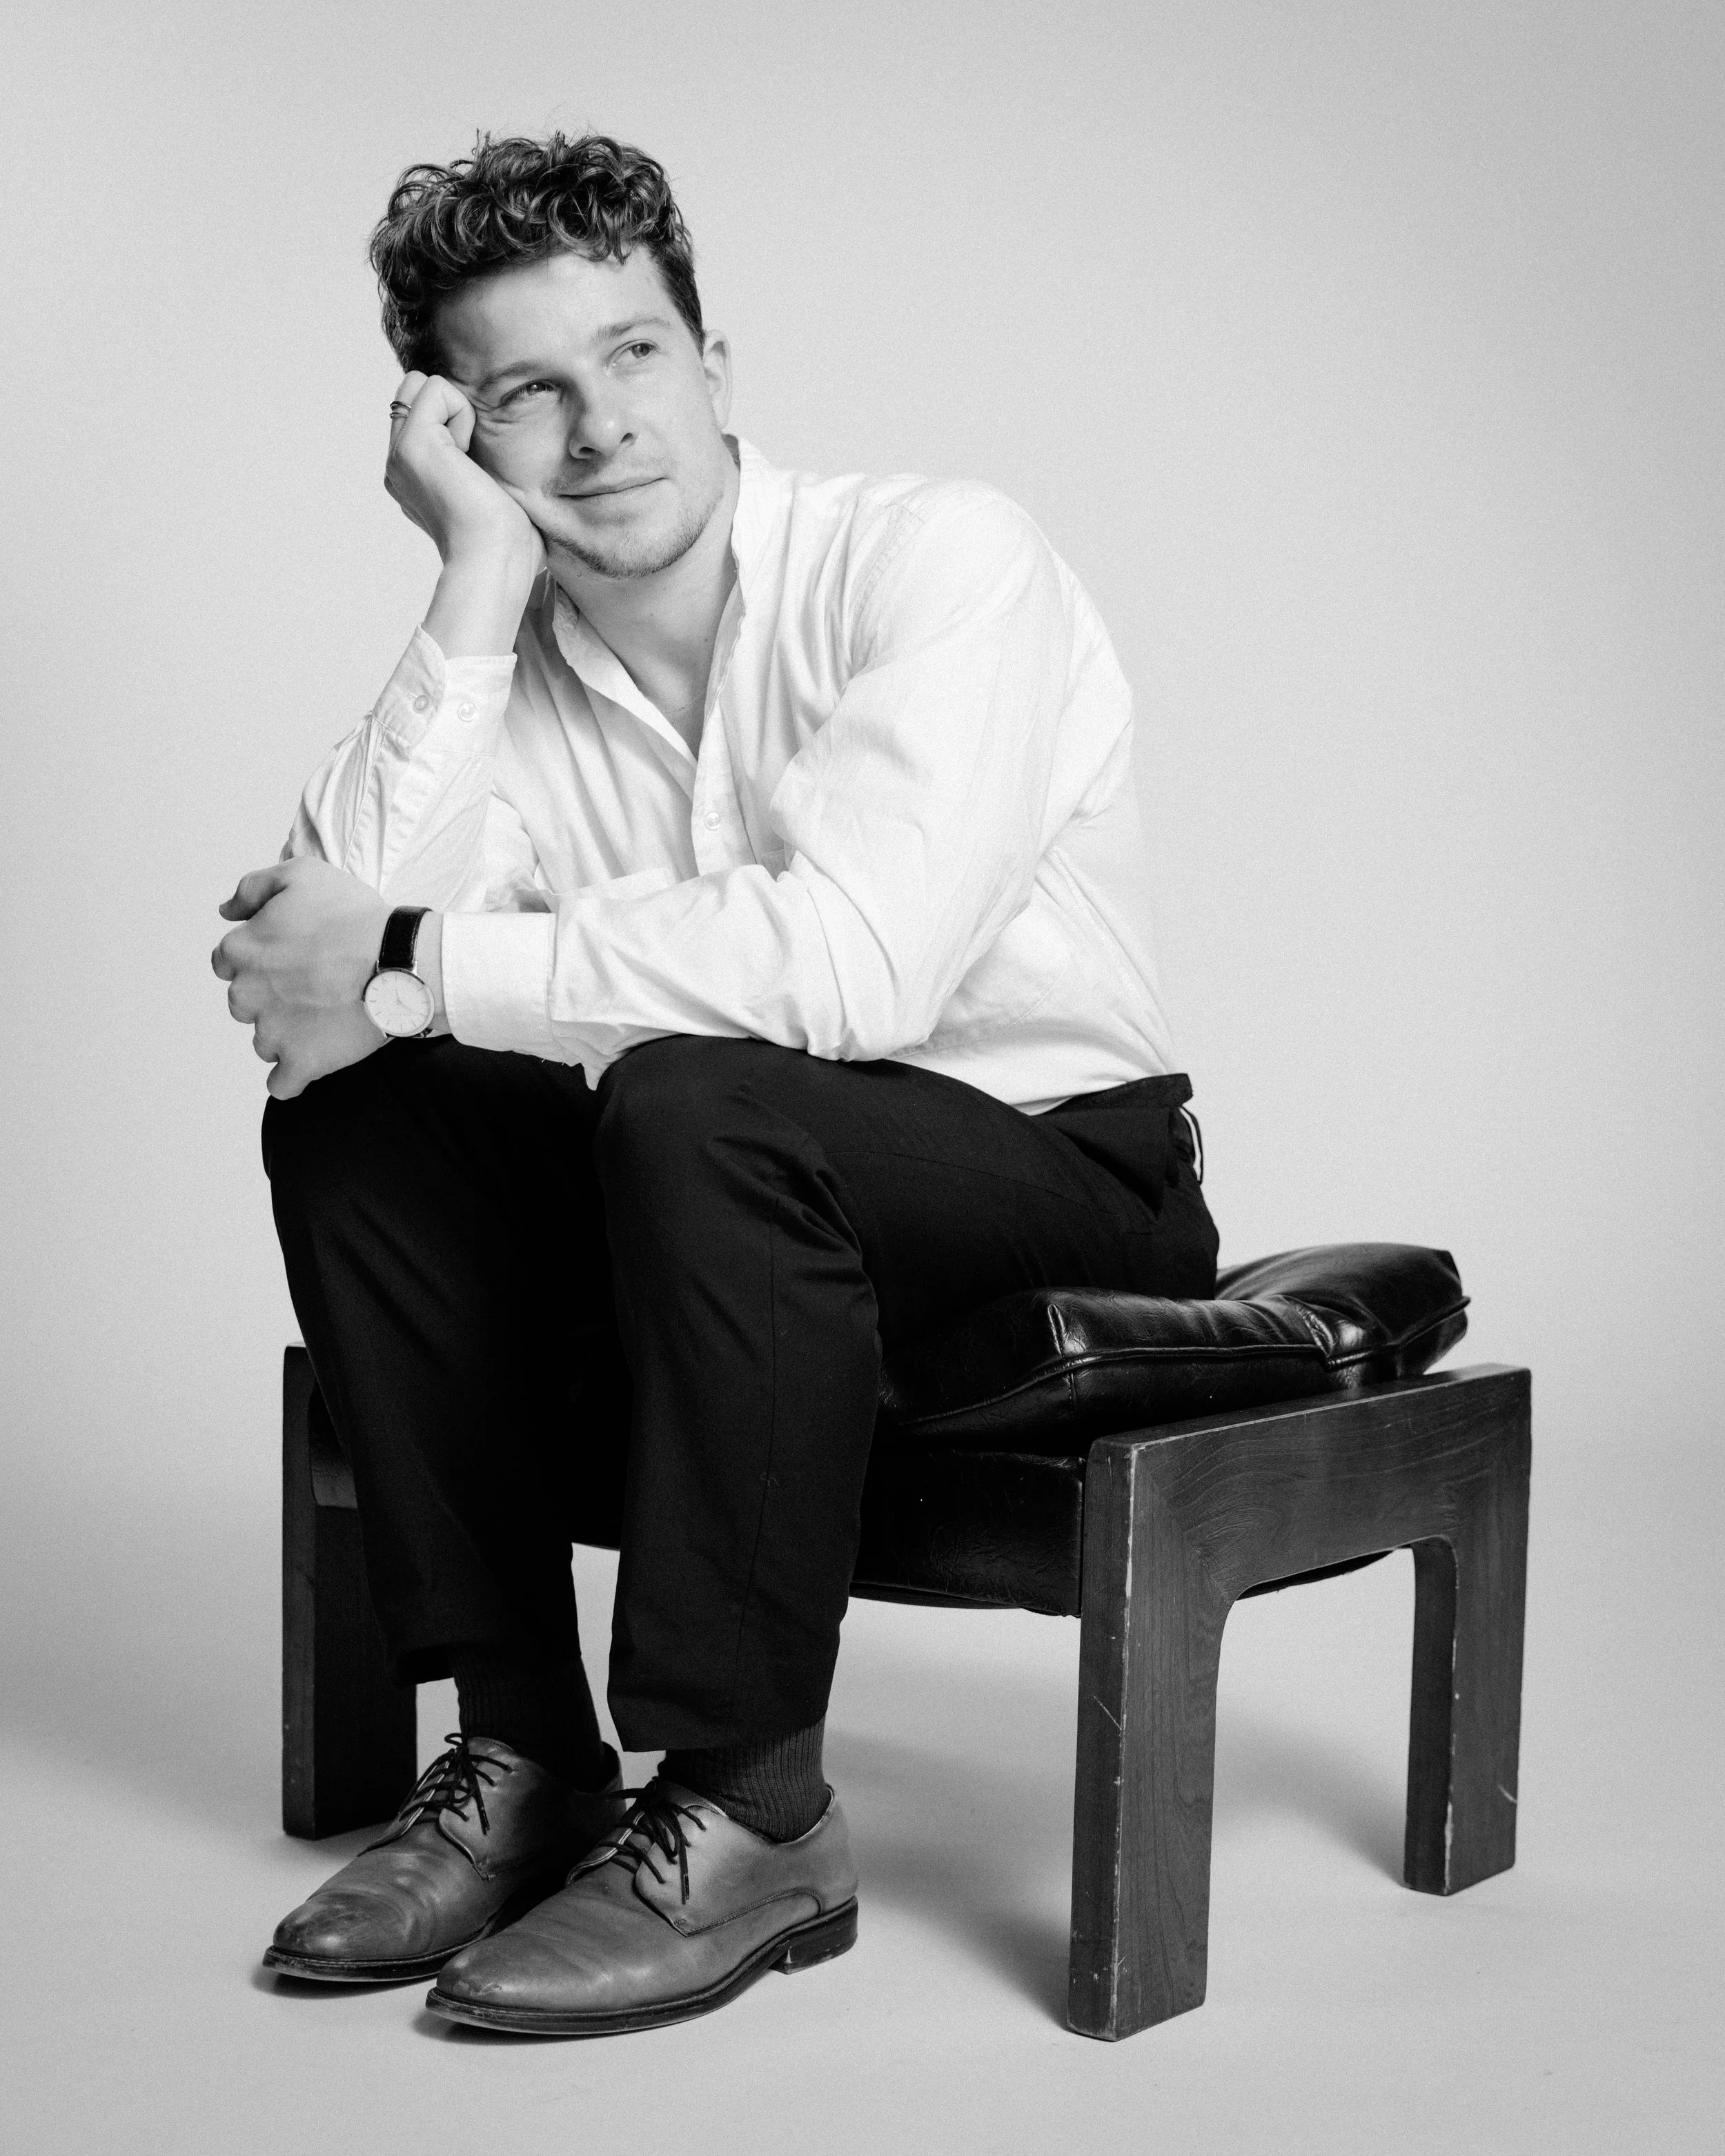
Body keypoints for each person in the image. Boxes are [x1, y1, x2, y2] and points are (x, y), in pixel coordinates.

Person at [213, 131, 1219, 2038]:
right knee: (370, 1111)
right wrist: (472, 589)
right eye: (528, 393)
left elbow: (852, 965)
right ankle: (525, 1757)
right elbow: (320, 1014)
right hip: (701, 1211)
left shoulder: (937, 557)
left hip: (1047, 1174)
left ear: (715, 363)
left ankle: (751, 1804)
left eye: (635, 356)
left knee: (695, 1092)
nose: (599, 427)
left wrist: (426, 954)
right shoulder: (505, 659)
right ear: (457, 429)